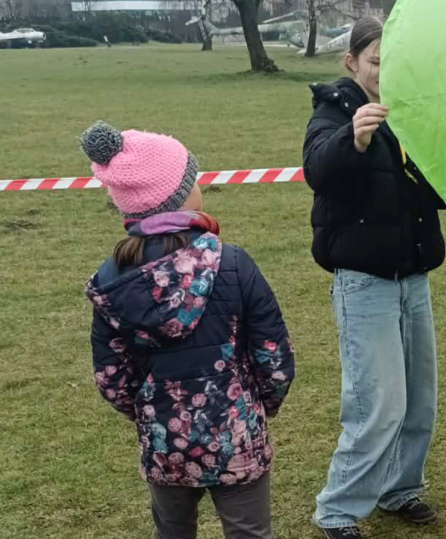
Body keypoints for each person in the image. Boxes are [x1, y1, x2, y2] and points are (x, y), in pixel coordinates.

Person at [81, 121, 295, 539]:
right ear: (178, 195)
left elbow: (112, 378)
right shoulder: (234, 263)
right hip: (237, 435)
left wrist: (150, 411)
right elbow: (274, 355)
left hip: (164, 443)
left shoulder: (110, 280)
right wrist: (257, 405)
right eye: (192, 178)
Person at [303, 16, 446, 539]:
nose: (386, 73)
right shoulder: (334, 109)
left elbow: (431, 186)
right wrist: (353, 140)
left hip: (412, 277)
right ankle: (338, 510)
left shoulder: (408, 112)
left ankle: (398, 488)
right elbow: (317, 167)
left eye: (395, 62)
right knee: (377, 401)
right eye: (377, 62)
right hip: (364, 282)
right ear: (352, 63)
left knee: (418, 396)